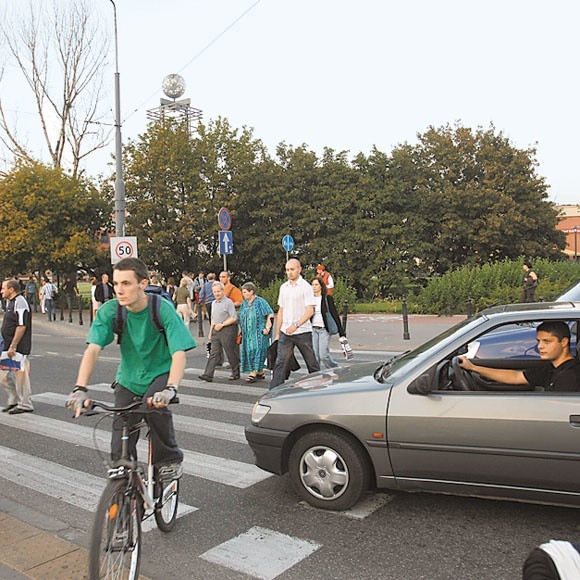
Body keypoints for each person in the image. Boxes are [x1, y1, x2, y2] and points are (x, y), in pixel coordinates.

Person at [66, 257, 196, 479]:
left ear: (142, 284)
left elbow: (178, 354)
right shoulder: (111, 311)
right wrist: (80, 388)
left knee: (155, 410)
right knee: (121, 430)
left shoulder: (161, 309)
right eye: (116, 284)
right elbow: (93, 350)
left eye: (126, 283)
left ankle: (170, 459)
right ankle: (125, 487)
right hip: (128, 378)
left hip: (160, 374)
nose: (119, 290)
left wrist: (171, 388)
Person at [459, 320, 580, 391]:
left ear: (564, 342)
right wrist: (473, 367)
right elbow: (516, 377)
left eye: (547, 341)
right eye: (539, 341)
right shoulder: (552, 369)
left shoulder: (569, 376)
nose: (540, 346)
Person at [270, 258, 320, 389]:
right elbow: (281, 310)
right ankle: (274, 390)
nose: (289, 272)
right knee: (280, 362)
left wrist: (296, 325)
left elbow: (310, 311)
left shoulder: (306, 287)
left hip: (302, 331)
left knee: (311, 363)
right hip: (285, 332)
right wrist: (277, 333)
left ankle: (318, 388)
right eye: (287, 270)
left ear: (299, 269)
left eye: (292, 269)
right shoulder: (284, 288)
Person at [1, 279, 33, 414]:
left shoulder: (20, 302)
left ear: (11, 289)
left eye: (3, 288)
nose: (1, 291)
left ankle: (25, 404)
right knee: (3, 375)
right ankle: (14, 399)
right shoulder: (11, 302)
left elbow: (21, 326)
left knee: (21, 376)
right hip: (7, 347)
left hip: (18, 348)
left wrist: (13, 346)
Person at [198, 281, 240, 382]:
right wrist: (211, 331)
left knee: (230, 351)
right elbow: (213, 318)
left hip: (228, 328)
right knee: (214, 352)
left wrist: (223, 324)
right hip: (217, 329)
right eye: (214, 292)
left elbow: (234, 318)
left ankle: (236, 372)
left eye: (218, 291)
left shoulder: (228, 302)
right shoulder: (213, 303)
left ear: (223, 291)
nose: (216, 294)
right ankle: (208, 374)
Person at [239, 282, 274, 382]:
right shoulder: (245, 303)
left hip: (259, 332)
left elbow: (270, 313)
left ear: (251, 292)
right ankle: (260, 372)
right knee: (249, 350)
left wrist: (267, 327)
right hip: (248, 333)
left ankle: (253, 372)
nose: (243, 294)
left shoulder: (260, 302)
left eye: (245, 292)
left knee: (257, 350)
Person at [311, 276, 346, 369]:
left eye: (316, 285)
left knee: (323, 355)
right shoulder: (309, 299)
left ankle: (335, 369)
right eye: (312, 285)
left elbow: (334, 314)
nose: (314, 287)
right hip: (313, 329)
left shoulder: (327, 298)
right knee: (315, 356)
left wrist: (341, 332)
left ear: (321, 286)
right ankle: (315, 375)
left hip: (324, 330)